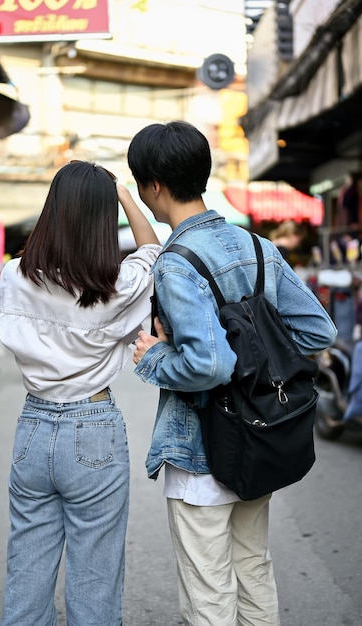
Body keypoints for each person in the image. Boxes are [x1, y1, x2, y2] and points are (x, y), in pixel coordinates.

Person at [128, 121, 337, 626]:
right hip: (259, 436)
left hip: (202, 450)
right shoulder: (257, 246)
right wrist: (258, 359)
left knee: (208, 594)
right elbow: (318, 331)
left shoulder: (177, 264)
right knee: (253, 569)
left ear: (153, 186)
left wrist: (154, 357)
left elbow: (209, 363)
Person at [0, 160, 161, 626]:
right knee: (96, 576)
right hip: (93, 430)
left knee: (26, 569)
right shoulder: (116, 287)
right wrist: (124, 195)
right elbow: (154, 250)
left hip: (32, 427)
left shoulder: (13, 277)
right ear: (103, 220)